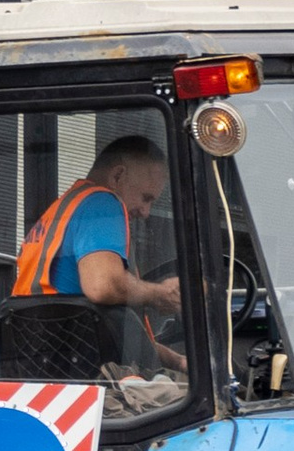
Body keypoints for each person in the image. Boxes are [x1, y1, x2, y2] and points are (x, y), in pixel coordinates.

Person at [14, 133, 181, 322]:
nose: (146, 212)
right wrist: (159, 294)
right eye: (146, 198)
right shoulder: (102, 203)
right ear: (117, 176)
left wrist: (174, 354)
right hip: (71, 345)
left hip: (51, 341)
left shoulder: (63, 211)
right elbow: (103, 286)